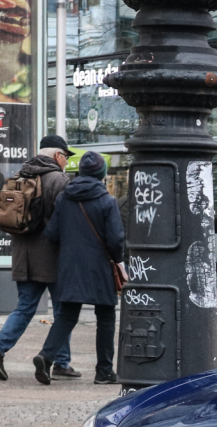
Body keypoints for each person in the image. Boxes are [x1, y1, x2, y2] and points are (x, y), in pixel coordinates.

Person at [0, 135, 77, 381]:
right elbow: (67, 221)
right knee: (64, 311)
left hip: (23, 253)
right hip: (53, 255)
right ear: (57, 156)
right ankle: (58, 361)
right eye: (65, 157)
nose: (66, 162)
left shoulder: (19, 176)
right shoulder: (59, 180)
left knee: (24, 307)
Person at [32, 151, 125, 385]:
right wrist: (119, 260)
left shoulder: (64, 198)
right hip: (100, 267)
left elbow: (51, 233)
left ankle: (46, 356)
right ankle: (104, 371)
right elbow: (115, 240)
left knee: (67, 315)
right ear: (102, 174)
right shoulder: (107, 201)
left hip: (69, 266)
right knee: (105, 317)